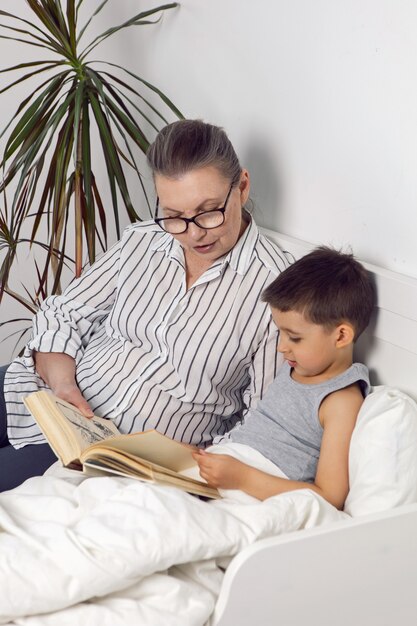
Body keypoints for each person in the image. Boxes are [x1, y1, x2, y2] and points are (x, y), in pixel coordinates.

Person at [0, 119, 289, 491]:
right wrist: (62, 385)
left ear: (243, 187)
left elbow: (259, 425)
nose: (194, 232)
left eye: (208, 211)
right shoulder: (142, 242)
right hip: (44, 392)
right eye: (174, 216)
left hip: (107, 458)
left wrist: (185, 460)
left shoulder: (278, 293)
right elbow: (65, 312)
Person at [193, 247, 376, 510]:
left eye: (295, 337)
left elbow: (330, 496)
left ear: (341, 336)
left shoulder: (340, 401)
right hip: (227, 467)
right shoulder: (296, 366)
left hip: (258, 490)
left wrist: (242, 477)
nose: (281, 347)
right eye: (280, 332)